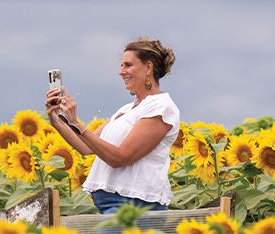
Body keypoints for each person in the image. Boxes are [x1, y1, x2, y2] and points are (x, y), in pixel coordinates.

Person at [45, 37, 179, 214]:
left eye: (127, 65)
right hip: (115, 206)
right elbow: (86, 147)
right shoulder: (127, 109)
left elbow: (120, 158)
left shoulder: (161, 107)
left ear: (148, 67)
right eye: (121, 65)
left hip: (133, 206)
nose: (121, 72)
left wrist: (76, 122)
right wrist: (57, 120)